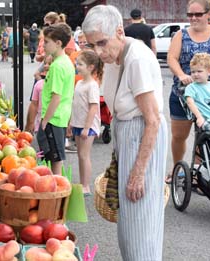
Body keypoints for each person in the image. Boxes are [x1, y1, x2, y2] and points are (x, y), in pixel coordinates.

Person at [83, 5, 167, 261]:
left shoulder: (137, 59)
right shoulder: (116, 56)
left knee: (139, 223)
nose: (97, 52)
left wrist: (138, 173)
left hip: (143, 136)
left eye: (102, 43)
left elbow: (152, 120)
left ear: (119, 31)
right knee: (130, 224)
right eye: (91, 45)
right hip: (129, 135)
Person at [166, 0, 210, 184]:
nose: (193, 18)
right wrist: (182, 75)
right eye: (190, 14)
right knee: (179, 136)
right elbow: (172, 58)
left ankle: (199, 171)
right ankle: (178, 170)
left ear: (209, 14)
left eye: (198, 14)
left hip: (209, 95)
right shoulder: (181, 35)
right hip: (183, 93)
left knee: (205, 136)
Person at [36, 23, 75, 175]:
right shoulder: (66, 62)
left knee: (55, 158)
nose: (43, 45)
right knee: (54, 156)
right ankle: (55, 184)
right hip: (60, 116)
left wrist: (45, 121)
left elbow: (56, 97)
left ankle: (56, 187)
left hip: (54, 118)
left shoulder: (57, 66)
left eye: (46, 42)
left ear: (58, 43)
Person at [69, 50, 103, 195]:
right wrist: (71, 123)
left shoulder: (92, 85)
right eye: (77, 63)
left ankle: (86, 185)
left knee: (84, 154)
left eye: (80, 64)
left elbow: (94, 107)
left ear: (90, 67)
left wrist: (86, 128)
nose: (77, 66)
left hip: (87, 126)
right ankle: (82, 183)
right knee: (80, 155)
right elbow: (75, 104)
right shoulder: (79, 83)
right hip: (78, 123)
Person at [185, 53, 210, 132]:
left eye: (199, 71)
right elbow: (190, 102)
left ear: (209, 71)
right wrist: (199, 117)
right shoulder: (191, 88)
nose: (196, 74)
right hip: (205, 120)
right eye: (193, 72)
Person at [25, 55, 53, 135]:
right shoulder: (39, 85)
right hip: (39, 124)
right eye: (45, 63)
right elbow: (34, 104)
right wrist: (30, 123)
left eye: (49, 64)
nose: (46, 66)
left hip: (54, 124)